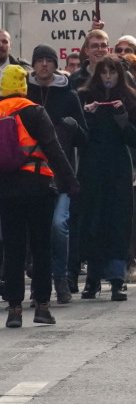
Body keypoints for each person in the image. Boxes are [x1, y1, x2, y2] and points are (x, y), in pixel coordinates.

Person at [1, 65, 78, 327]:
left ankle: (13, 311)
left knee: (12, 250)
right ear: (23, 85)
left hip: (6, 189)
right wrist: (69, 181)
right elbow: (53, 148)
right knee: (41, 247)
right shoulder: (34, 110)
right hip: (37, 186)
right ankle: (43, 307)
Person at [77, 56, 136, 301]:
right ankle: (93, 278)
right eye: (103, 72)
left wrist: (122, 118)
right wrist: (88, 117)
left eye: (112, 72)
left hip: (118, 167)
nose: (107, 77)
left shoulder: (128, 99)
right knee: (94, 222)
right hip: (93, 168)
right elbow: (79, 137)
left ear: (119, 75)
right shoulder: (84, 96)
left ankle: (117, 278)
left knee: (119, 221)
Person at [26, 46, 87, 305]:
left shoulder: (69, 95)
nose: (43, 65)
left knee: (59, 227)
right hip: (30, 173)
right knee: (33, 230)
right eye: (38, 60)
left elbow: (85, 137)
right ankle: (38, 281)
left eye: (48, 61)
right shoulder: (24, 94)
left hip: (60, 174)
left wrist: (72, 127)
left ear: (55, 64)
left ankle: (60, 276)